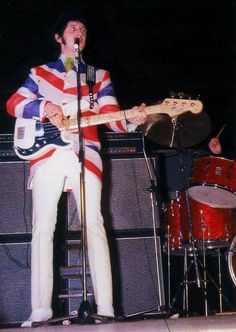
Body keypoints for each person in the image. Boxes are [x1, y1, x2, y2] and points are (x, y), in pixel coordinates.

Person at [6, 11, 147, 327]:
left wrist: (131, 119)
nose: (78, 31)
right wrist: (45, 107)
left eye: (82, 28)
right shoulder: (41, 73)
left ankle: (106, 306)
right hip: (48, 154)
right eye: (72, 27)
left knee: (94, 225)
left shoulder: (99, 76)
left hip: (87, 154)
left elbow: (111, 116)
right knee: (43, 228)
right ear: (59, 37)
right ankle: (40, 309)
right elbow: (14, 103)